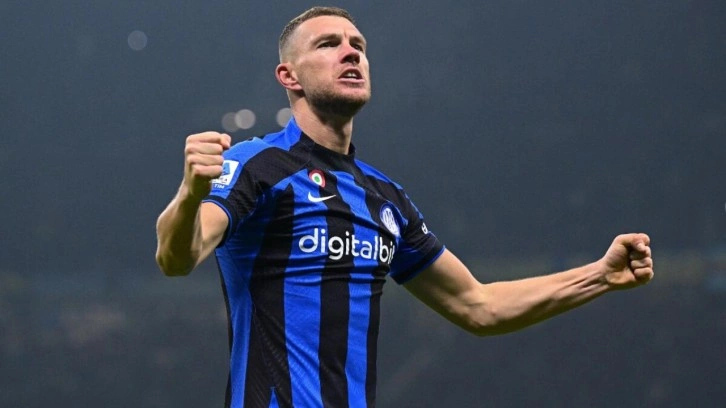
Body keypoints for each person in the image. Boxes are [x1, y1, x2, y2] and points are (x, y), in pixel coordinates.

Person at [155, 6, 654, 408]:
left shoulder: (384, 199)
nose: (350, 52)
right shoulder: (258, 164)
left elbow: (478, 306)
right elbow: (178, 257)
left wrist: (600, 276)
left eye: (358, 45)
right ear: (289, 76)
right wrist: (190, 193)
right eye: (328, 44)